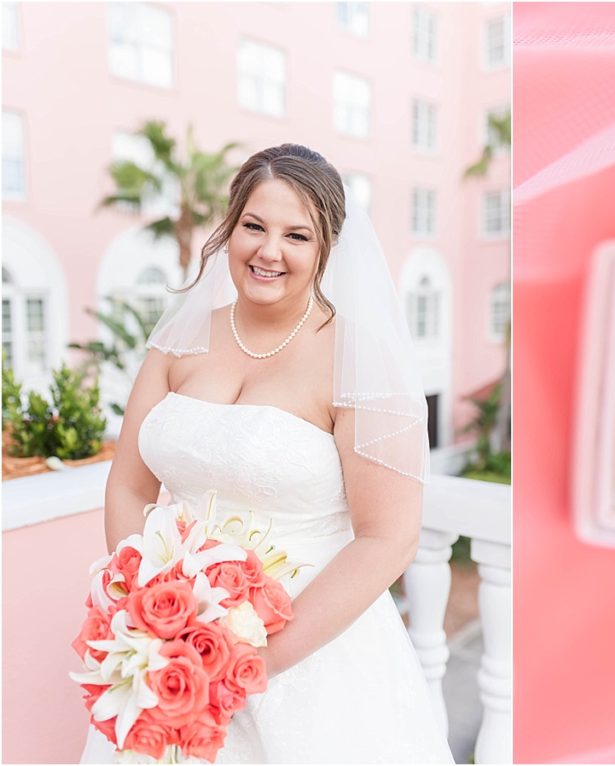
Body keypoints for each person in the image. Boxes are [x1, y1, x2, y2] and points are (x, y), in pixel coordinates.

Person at [79, 144, 454, 763]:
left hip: (312, 657)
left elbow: (388, 538)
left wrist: (242, 664)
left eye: (296, 235)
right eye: (253, 225)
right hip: (169, 651)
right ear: (229, 228)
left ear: (326, 247)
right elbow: (129, 487)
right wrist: (142, 609)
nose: (268, 250)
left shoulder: (361, 363)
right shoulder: (178, 340)